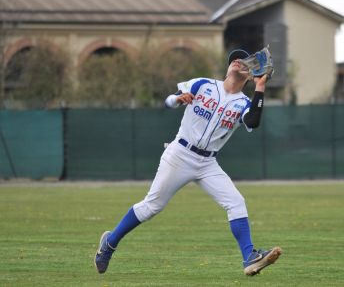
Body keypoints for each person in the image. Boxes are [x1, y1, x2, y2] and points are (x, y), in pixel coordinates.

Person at [94, 49, 282, 276]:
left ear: (250, 75)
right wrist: (177, 99)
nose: (237, 61)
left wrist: (260, 87)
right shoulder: (203, 85)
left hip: (208, 163)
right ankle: (109, 244)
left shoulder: (243, 103)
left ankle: (249, 257)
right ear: (228, 66)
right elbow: (167, 101)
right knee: (152, 206)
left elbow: (253, 120)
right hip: (180, 154)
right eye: (234, 59)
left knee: (236, 202)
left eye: (244, 61)